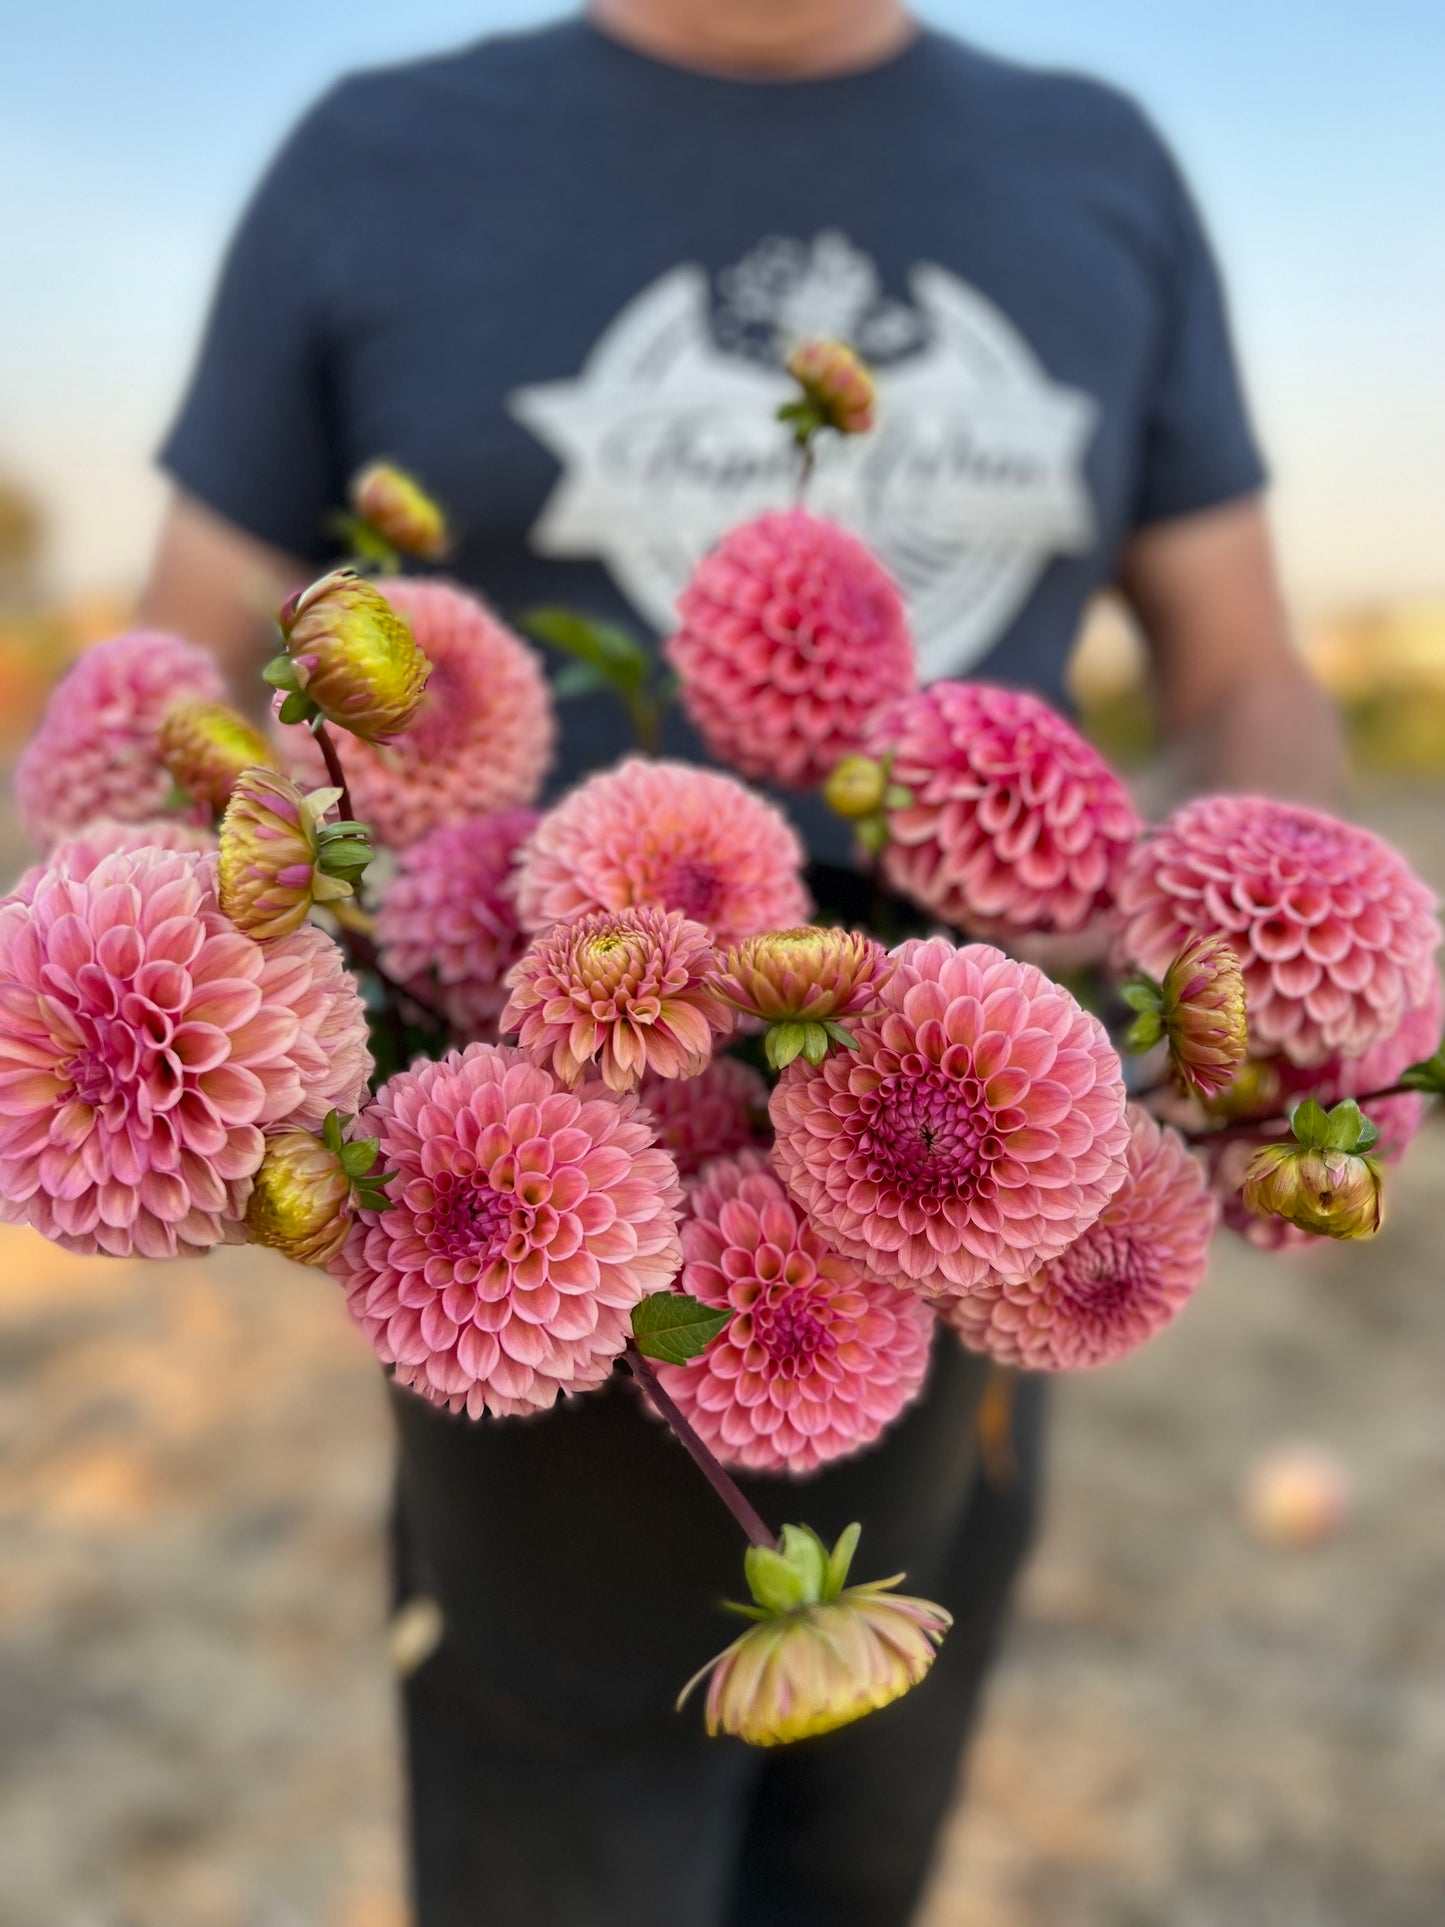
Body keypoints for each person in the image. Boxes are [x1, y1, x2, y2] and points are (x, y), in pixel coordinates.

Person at [141, 4, 1343, 1922]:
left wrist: (1296, 940)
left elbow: (1244, 660)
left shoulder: (1099, 159)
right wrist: (229, 1052)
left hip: (999, 1184)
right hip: (511, 1193)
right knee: (562, 1857)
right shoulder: (373, 153)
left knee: (862, 1856)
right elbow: (191, 656)